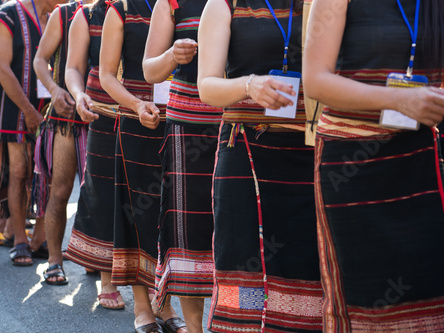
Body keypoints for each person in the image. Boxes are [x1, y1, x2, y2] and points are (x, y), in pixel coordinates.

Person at [303, 0, 444, 331]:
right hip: (353, 167)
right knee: (366, 296)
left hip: (426, 158)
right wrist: (397, 99)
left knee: (431, 288)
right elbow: (316, 81)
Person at [198, 0, 324, 331]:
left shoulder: (323, 3)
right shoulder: (225, 5)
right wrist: (249, 85)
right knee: (243, 257)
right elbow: (206, 86)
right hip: (245, 150)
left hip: (313, 151)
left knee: (308, 260)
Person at [100, 0, 186, 332]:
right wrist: (137, 105)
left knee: (173, 216)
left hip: (182, 120)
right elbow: (107, 75)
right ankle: (142, 306)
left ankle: (164, 304)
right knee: (141, 211)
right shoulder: (121, 9)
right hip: (138, 122)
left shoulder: (188, 5)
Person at [142, 0, 222, 331]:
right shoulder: (172, 3)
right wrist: (173, 55)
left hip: (241, 124)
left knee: (241, 232)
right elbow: (150, 70)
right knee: (189, 232)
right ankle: (195, 328)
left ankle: (237, 320)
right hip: (188, 127)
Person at [0, 0, 65, 265]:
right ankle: (20, 239)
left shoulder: (57, 17)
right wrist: (29, 111)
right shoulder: (9, 13)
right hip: (15, 109)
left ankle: (39, 238)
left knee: (48, 174)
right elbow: (1, 67)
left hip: (50, 110)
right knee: (18, 172)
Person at [64, 0, 124, 309]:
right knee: (103, 189)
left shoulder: (157, 8)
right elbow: (73, 67)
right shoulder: (86, 16)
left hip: (150, 116)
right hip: (103, 114)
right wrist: (78, 94)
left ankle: (150, 279)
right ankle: (107, 278)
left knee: (150, 192)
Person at [33, 0, 91, 285]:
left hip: (106, 117)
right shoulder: (64, 13)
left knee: (103, 195)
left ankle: (97, 257)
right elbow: (39, 60)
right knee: (61, 190)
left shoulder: (121, 9)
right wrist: (55, 91)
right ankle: (54, 260)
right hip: (67, 116)